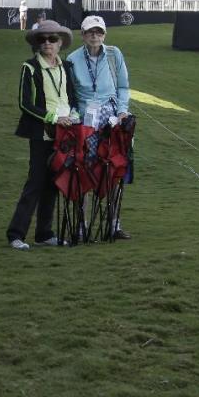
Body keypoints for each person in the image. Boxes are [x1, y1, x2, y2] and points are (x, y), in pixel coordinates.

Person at [7, 20, 75, 250]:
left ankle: (44, 234)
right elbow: (24, 104)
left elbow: (71, 97)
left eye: (52, 39)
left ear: (60, 43)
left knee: (53, 184)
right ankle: (16, 234)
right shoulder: (30, 67)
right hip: (42, 134)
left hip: (64, 134)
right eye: (42, 39)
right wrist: (53, 118)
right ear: (37, 44)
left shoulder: (66, 67)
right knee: (35, 183)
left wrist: (73, 115)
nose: (47, 43)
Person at [65, 15, 131, 240]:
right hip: (85, 121)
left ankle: (113, 224)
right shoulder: (72, 59)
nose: (95, 35)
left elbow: (123, 86)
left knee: (112, 170)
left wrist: (123, 110)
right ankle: (82, 226)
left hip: (111, 120)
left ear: (104, 34)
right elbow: (70, 94)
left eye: (99, 32)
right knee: (83, 170)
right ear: (82, 35)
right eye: (90, 32)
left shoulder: (114, 54)